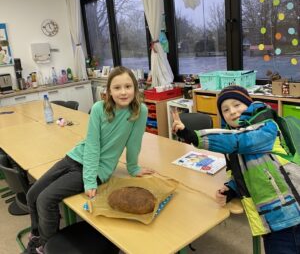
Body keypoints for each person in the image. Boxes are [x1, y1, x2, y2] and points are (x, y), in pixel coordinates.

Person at [26, 66, 153, 254]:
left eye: (128, 86)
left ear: (135, 88)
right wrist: (89, 179)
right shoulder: (99, 109)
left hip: (98, 169)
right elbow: (92, 145)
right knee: (32, 194)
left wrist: (132, 168)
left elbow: (134, 143)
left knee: (45, 200)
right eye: (117, 88)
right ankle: (37, 236)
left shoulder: (139, 111)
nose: (123, 92)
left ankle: (45, 247)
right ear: (109, 91)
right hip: (75, 157)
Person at [172, 85, 300, 254]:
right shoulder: (234, 136)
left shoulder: (266, 126)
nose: (232, 111)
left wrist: (193, 136)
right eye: (225, 110)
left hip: (289, 211)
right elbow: (240, 171)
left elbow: (240, 141)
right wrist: (232, 189)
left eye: (237, 105)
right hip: (270, 216)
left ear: (249, 105)